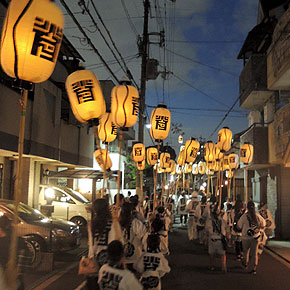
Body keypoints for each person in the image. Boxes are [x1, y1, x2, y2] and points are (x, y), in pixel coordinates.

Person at [237, 201, 266, 274]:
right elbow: (264, 224)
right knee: (254, 253)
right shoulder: (258, 216)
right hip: (255, 237)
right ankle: (254, 268)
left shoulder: (244, 216)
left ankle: (246, 264)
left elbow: (239, 226)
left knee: (246, 252)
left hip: (245, 237)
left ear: (247, 207)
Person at [119, 202, 147, 271]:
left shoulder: (117, 225)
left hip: (121, 258)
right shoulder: (137, 223)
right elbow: (144, 238)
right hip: (136, 257)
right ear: (132, 211)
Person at [205, 204, 227, 273]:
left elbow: (208, 231)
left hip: (212, 239)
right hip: (220, 239)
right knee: (223, 254)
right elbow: (226, 229)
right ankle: (223, 267)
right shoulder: (223, 221)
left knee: (211, 254)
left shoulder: (209, 221)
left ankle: (211, 266)